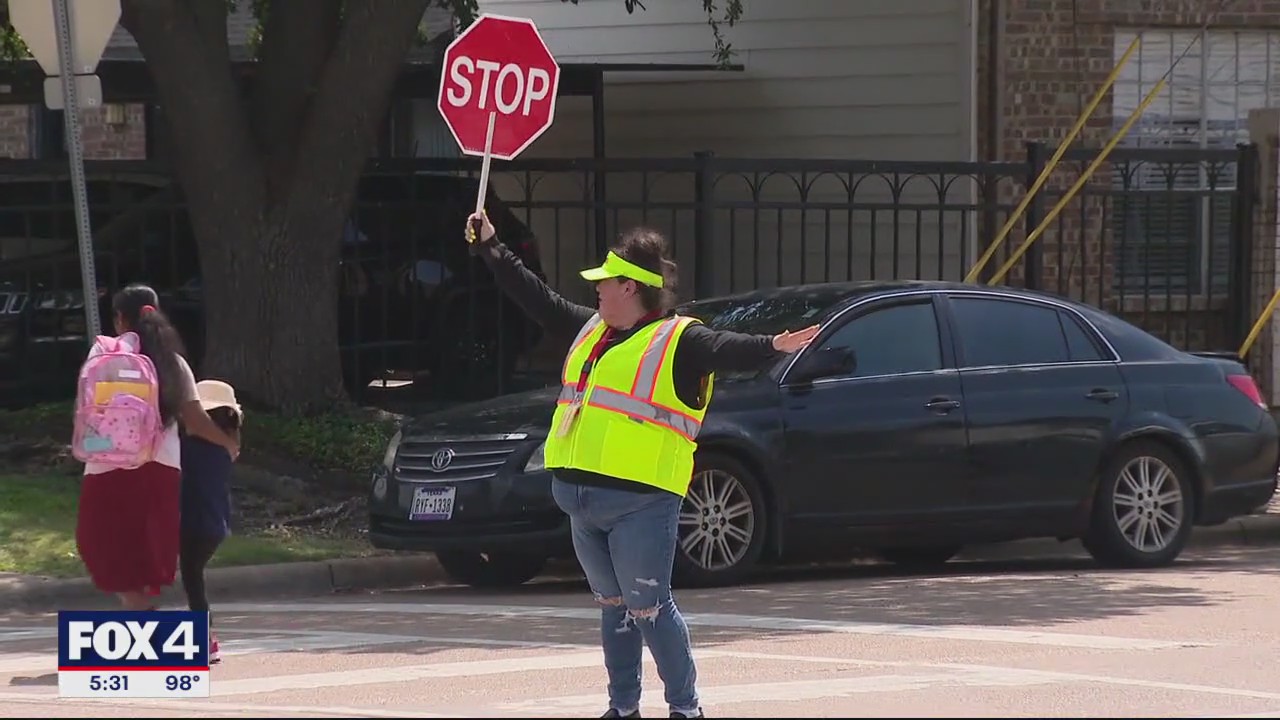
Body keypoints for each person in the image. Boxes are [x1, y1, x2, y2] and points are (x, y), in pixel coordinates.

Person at [465, 212, 819, 719]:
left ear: (629, 288)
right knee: (613, 609)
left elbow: (726, 349)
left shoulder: (679, 341)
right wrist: (492, 248)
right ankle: (623, 709)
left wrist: (771, 346)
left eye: (604, 285)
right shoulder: (592, 329)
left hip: (641, 502)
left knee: (650, 610)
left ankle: (685, 709)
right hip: (581, 498)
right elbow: (535, 298)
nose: (596, 294)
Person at [75, 284, 240, 611]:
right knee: (143, 555)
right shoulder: (173, 362)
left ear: (120, 320)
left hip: (106, 466)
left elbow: (88, 408)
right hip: (159, 471)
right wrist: (227, 443)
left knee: (109, 552)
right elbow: (195, 420)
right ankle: (146, 631)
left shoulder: (102, 355)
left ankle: (143, 630)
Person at [179, 379, 244, 665]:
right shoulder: (225, 451)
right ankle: (203, 637)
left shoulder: (186, 447)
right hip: (215, 524)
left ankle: (203, 640)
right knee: (194, 576)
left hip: (191, 520)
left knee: (191, 578)